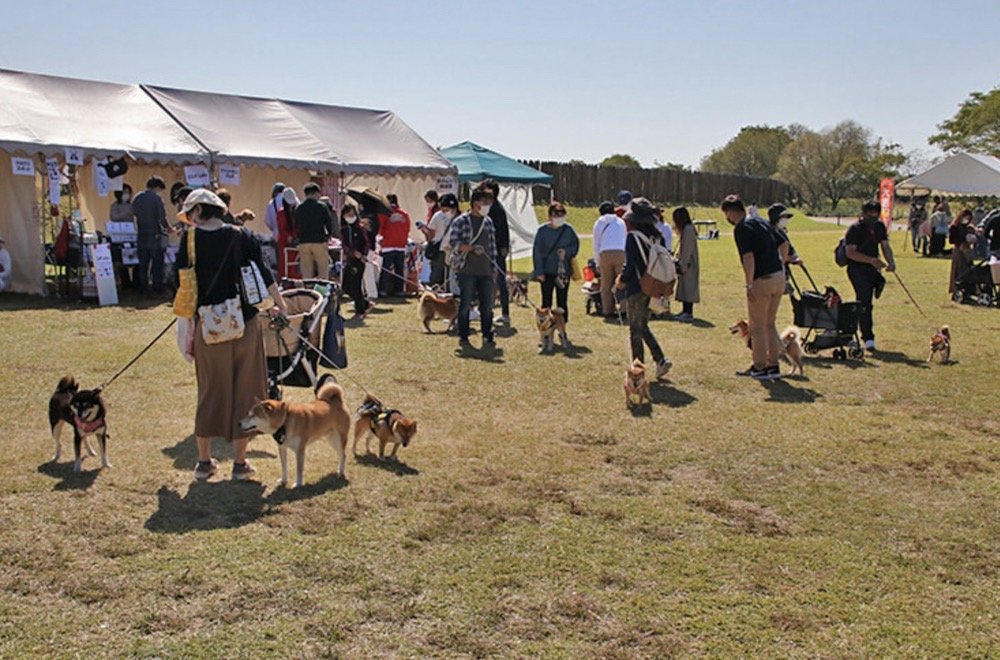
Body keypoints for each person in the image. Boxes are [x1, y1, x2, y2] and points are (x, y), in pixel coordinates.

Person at [174, 189, 287, 481]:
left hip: (208, 326)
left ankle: (203, 462)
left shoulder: (189, 240)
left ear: (197, 211)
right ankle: (239, 463)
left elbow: (179, 283)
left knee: (210, 390)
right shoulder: (241, 236)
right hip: (244, 323)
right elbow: (264, 273)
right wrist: (280, 304)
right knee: (247, 391)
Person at [723, 194, 788, 379]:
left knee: (757, 326)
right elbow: (784, 243)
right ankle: (773, 366)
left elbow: (748, 257)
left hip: (762, 279)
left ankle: (760, 367)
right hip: (778, 277)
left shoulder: (741, 228)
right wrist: (782, 265)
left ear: (729, 212)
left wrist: (749, 284)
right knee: (770, 323)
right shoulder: (760, 220)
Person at [615, 198, 672, 379]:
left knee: (635, 329)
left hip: (637, 286)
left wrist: (621, 280)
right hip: (654, 285)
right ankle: (660, 359)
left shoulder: (633, 237)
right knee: (643, 326)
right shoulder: (657, 236)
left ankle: (638, 369)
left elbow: (630, 265)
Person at [844, 200, 896, 352]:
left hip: (873, 269)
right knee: (865, 302)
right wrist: (871, 260)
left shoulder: (879, 226)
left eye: (876, 212)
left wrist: (891, 261)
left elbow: (885, 245)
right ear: (863, 213)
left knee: (868, 302)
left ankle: (859, 331)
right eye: (870, 213)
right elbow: (850, 252)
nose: (873, 216)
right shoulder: (855, 229)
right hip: (857, 268)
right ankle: (868, 338)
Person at [450, 189, 497, 351]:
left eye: (489, 203)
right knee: (465, 305)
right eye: (484, 202)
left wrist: (494, 267)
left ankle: (487, 334)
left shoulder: (489, 222)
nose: (487, 206)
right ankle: (463, 335)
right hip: (466, 271)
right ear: (475, 203)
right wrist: (469, 248)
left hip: (485, 271)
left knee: (487, 306)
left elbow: (492, 247)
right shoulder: (461, 221)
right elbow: (454, 244)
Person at [532, 202, 580, 322]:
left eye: (561, 215)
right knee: (546, 300)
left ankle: (562, 325)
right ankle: (546, 326)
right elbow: (537, 251)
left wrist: (567, 252)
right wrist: (539, 271)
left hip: (563, 272)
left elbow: (575, 246)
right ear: (549, 216)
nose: (559, 218)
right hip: (547, 271)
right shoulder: (542, 231)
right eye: (556, 215)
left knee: (562, 300)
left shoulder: (569, 230)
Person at [477, 180, 512, 324]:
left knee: (500, 281)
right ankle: (484, 309)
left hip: (496, 250)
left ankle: (505, 313)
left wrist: (504, 247)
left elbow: (503, 230)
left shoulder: (497, 209)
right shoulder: (483, 207)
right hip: (483, 250)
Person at [132, 176, 168, 295]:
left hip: (141, 233)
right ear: (157, 187)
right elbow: (162, 218)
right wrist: (168, 229)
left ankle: (143, 288)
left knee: (143, 264)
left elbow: (134, 213)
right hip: (154, 235)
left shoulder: (137, 198)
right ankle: (157, 288)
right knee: (157, 263)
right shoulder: (157, 199)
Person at [294, 183, 337, 280]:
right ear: (316, 193)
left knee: (306, 271)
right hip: (319, 241)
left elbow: (296, 225)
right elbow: (329, 223)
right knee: (323, 269)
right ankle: (322, 292)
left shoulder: (299, 208)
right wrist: (329, 235)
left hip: (304, 241)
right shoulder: (322, 206)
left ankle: (308, 292)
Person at [592, 200, 627, 317]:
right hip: (620, 252)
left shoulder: (599, 223)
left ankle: (607, 310)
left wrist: (597, 262)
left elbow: (596, 244)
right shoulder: (620, 222)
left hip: (605, 253)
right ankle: (623, 309)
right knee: (621, 282)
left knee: (606, 285)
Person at [340, 203, 372, 317]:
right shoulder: (343, 229)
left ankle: (360, 311)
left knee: (356, 285)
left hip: (359, 261)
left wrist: (363, 254)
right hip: (350, 260)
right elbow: (343, 244)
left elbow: (367, 243)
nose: (351, 216)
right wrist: (351, 252)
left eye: (353, 214)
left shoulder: (360, 228)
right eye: (348, 214)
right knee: (346, 286)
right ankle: (365, 303)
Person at [378, 194, 410, 297]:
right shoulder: (404, 214)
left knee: (386, 269)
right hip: (401, 245)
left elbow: (380, 228)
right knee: (399, 270)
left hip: (388, 245)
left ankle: (382, 290)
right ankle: (399, 290)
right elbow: (407, 229)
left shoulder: (385, 213)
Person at [424, 193, 458, 287]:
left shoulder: (460, 217)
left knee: (450, 275)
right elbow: (431, 230)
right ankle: (433, 294)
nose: (444, 211)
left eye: (446, 209)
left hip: (454, 250)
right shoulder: (438, 215)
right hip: (439, 248)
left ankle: (449, 292)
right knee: (436, 274)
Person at [672, 207, 700, 322]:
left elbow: (687, 249)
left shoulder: (688, 230)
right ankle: (684, 311)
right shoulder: (686, 229)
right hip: (686, 263)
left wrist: (683, 264)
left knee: (689, 287)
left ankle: (688, 313)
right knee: (684, 287)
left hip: (689, 264)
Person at [767, 203, 802, 286]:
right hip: (771, 273)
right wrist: (791, 259)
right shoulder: (769, 232)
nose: (786, 220)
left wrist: (794, 257)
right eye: (784, 217)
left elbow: (790, 250)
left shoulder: (781, 232)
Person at [948, 209, 976, 296]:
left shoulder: (968, 227)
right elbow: (952, 240)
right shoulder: (954, 227)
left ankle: (969, 289)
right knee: (958, 270)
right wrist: (961, 241)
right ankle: (957, 289)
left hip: (966, 250)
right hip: (958, 250)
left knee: (968, 268)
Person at [276, 187, 299, 279]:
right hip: (284, 243)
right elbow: (281, 228)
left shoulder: (296, 212)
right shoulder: (281, 213)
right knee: (284, 266)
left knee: (294, 266)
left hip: (294, 243)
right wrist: (288, 237)